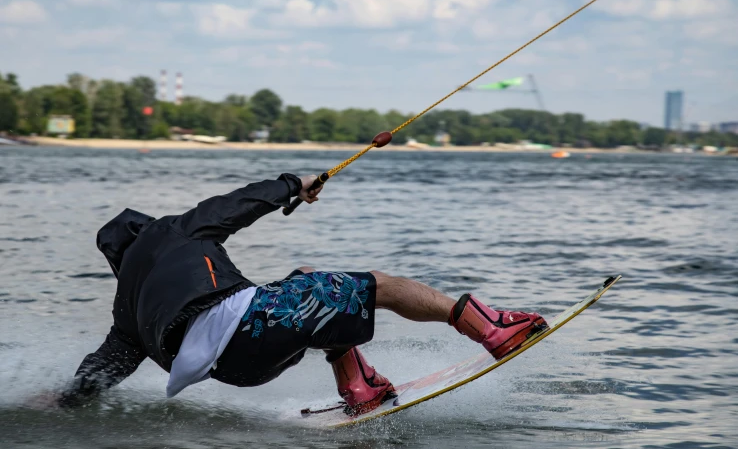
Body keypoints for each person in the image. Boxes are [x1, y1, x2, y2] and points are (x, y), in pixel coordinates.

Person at [53, 173, 548, 416]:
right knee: (381, 286)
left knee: (306, 281)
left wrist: (62, 403)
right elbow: (232, 206)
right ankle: (492, 330)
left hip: (236, 372)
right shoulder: (169, 233)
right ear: (146, 230)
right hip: (248, 328)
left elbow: (102, 371)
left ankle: (359, 387)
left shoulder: (128, 313)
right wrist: (294, 184)